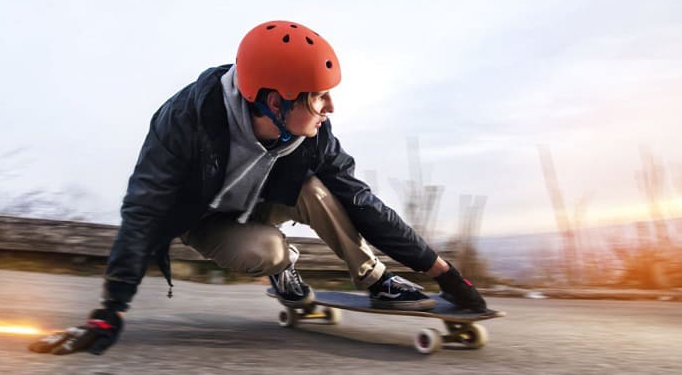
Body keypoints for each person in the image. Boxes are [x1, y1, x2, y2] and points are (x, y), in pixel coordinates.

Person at [28, 20, 487, 355]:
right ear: (274, 100)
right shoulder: (184, 121)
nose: (331, 106)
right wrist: (110, 310)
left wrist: (443, 273)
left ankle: (378, 281)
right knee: (267, 251)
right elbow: (143, 211)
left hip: (264, 199)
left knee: (316, 187)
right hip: (207, 221)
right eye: (318, 96)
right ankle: (283, 269)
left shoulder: (313, 135)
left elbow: (361, 202)